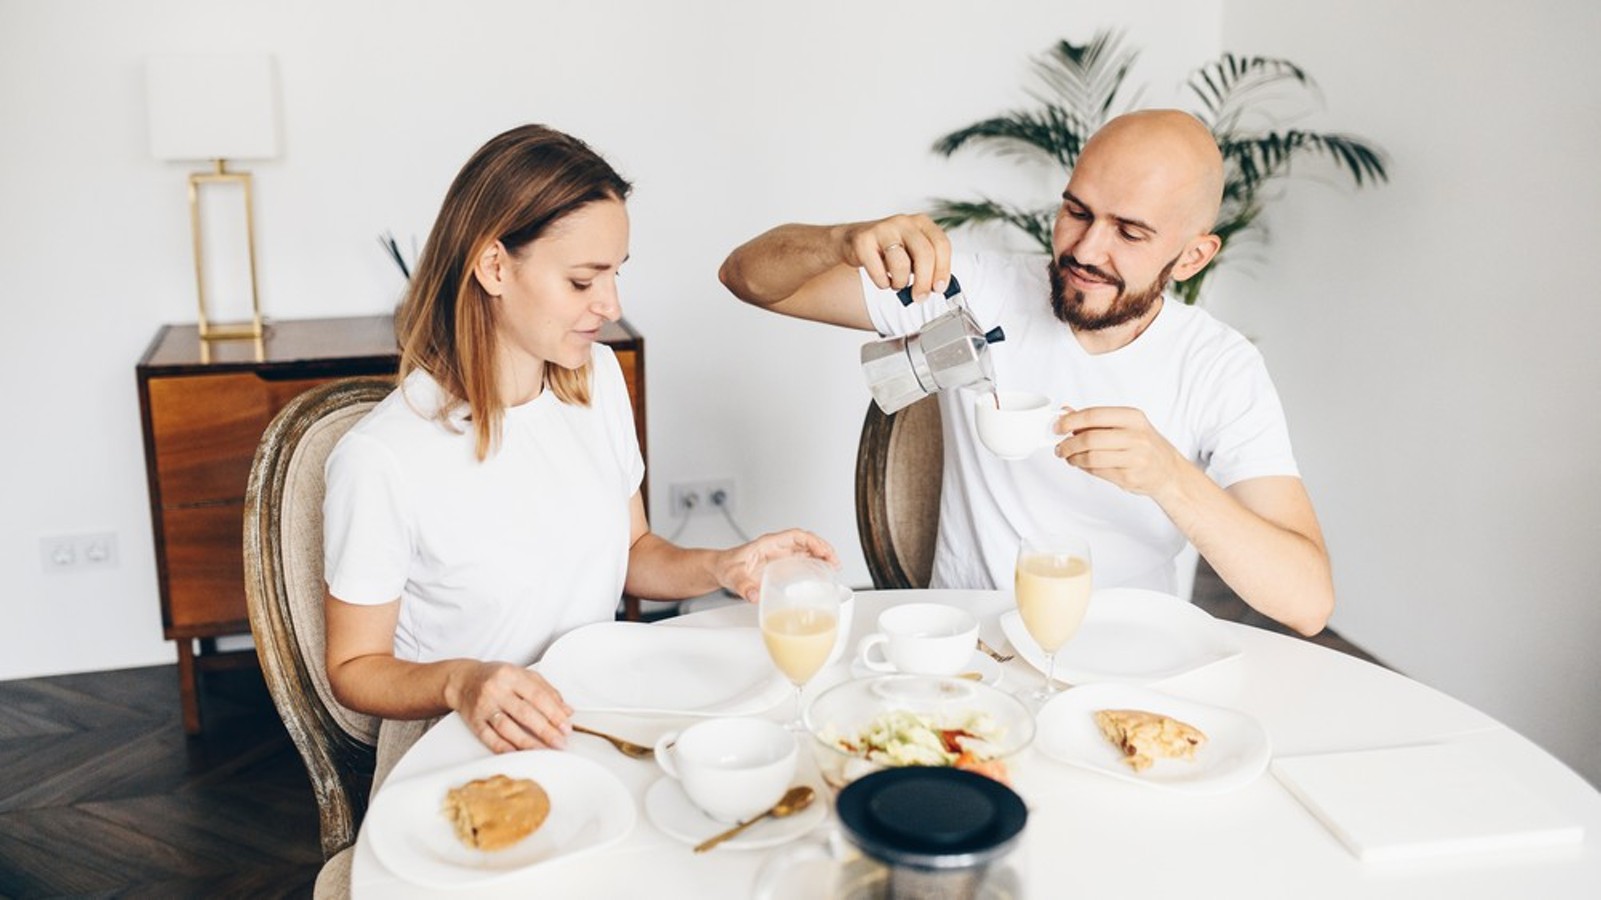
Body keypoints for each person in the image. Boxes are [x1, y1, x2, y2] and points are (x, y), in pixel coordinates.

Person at [323, 124, 836, 757]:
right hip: (461, 745)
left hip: (591, 720)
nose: (611, 305)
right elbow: (354, 666)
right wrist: (462, 681)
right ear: (493, 267)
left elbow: (634, 551)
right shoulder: (383, 457)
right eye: (582, 281)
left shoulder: (595, 383)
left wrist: (723, 565)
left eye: (615, 274)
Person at [719, 109, 1332, 635]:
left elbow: (1307, 603)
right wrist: (841, 239)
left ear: (1193, 256)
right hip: (968, 646)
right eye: (1077, 211)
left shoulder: (1219, 366)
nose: (1086, 250)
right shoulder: (973, 290)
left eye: (1129, 232)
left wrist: (1171, 478)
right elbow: (747, 279)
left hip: (1125, 653)